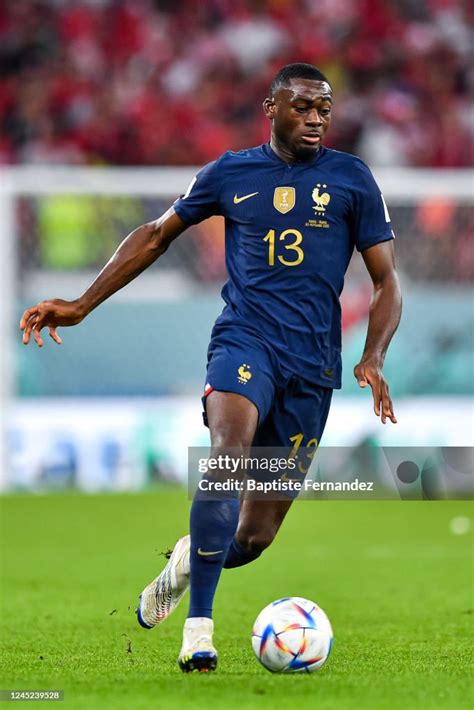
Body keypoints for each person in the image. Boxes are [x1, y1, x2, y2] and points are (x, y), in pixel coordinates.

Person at [20, 63, 402, 673]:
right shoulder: (229, 173)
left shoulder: (353, 179)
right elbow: (154, 235)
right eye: (302, 106)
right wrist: (81, 305)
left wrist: (374, 355)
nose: (315, 118)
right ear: (270, 107)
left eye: (324, 109)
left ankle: (186, 560)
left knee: (251, 540)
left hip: (312, 366)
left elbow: (386, 282)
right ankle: (198, 631)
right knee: (229, 451)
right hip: (244, 341)